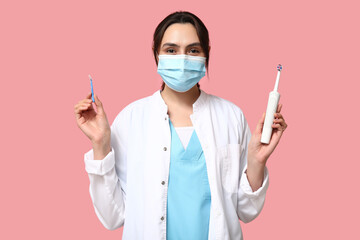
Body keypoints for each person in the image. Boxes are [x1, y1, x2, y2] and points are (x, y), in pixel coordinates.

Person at [74, 11, 287, 240]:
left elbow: (246, 210)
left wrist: (256, 162)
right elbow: (112, 216)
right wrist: (100, 145)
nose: (183, 59)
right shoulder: (131, 119)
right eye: (171, 50)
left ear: (206, 55)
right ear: (156, 54)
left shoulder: (231, 117)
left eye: (193, 50)